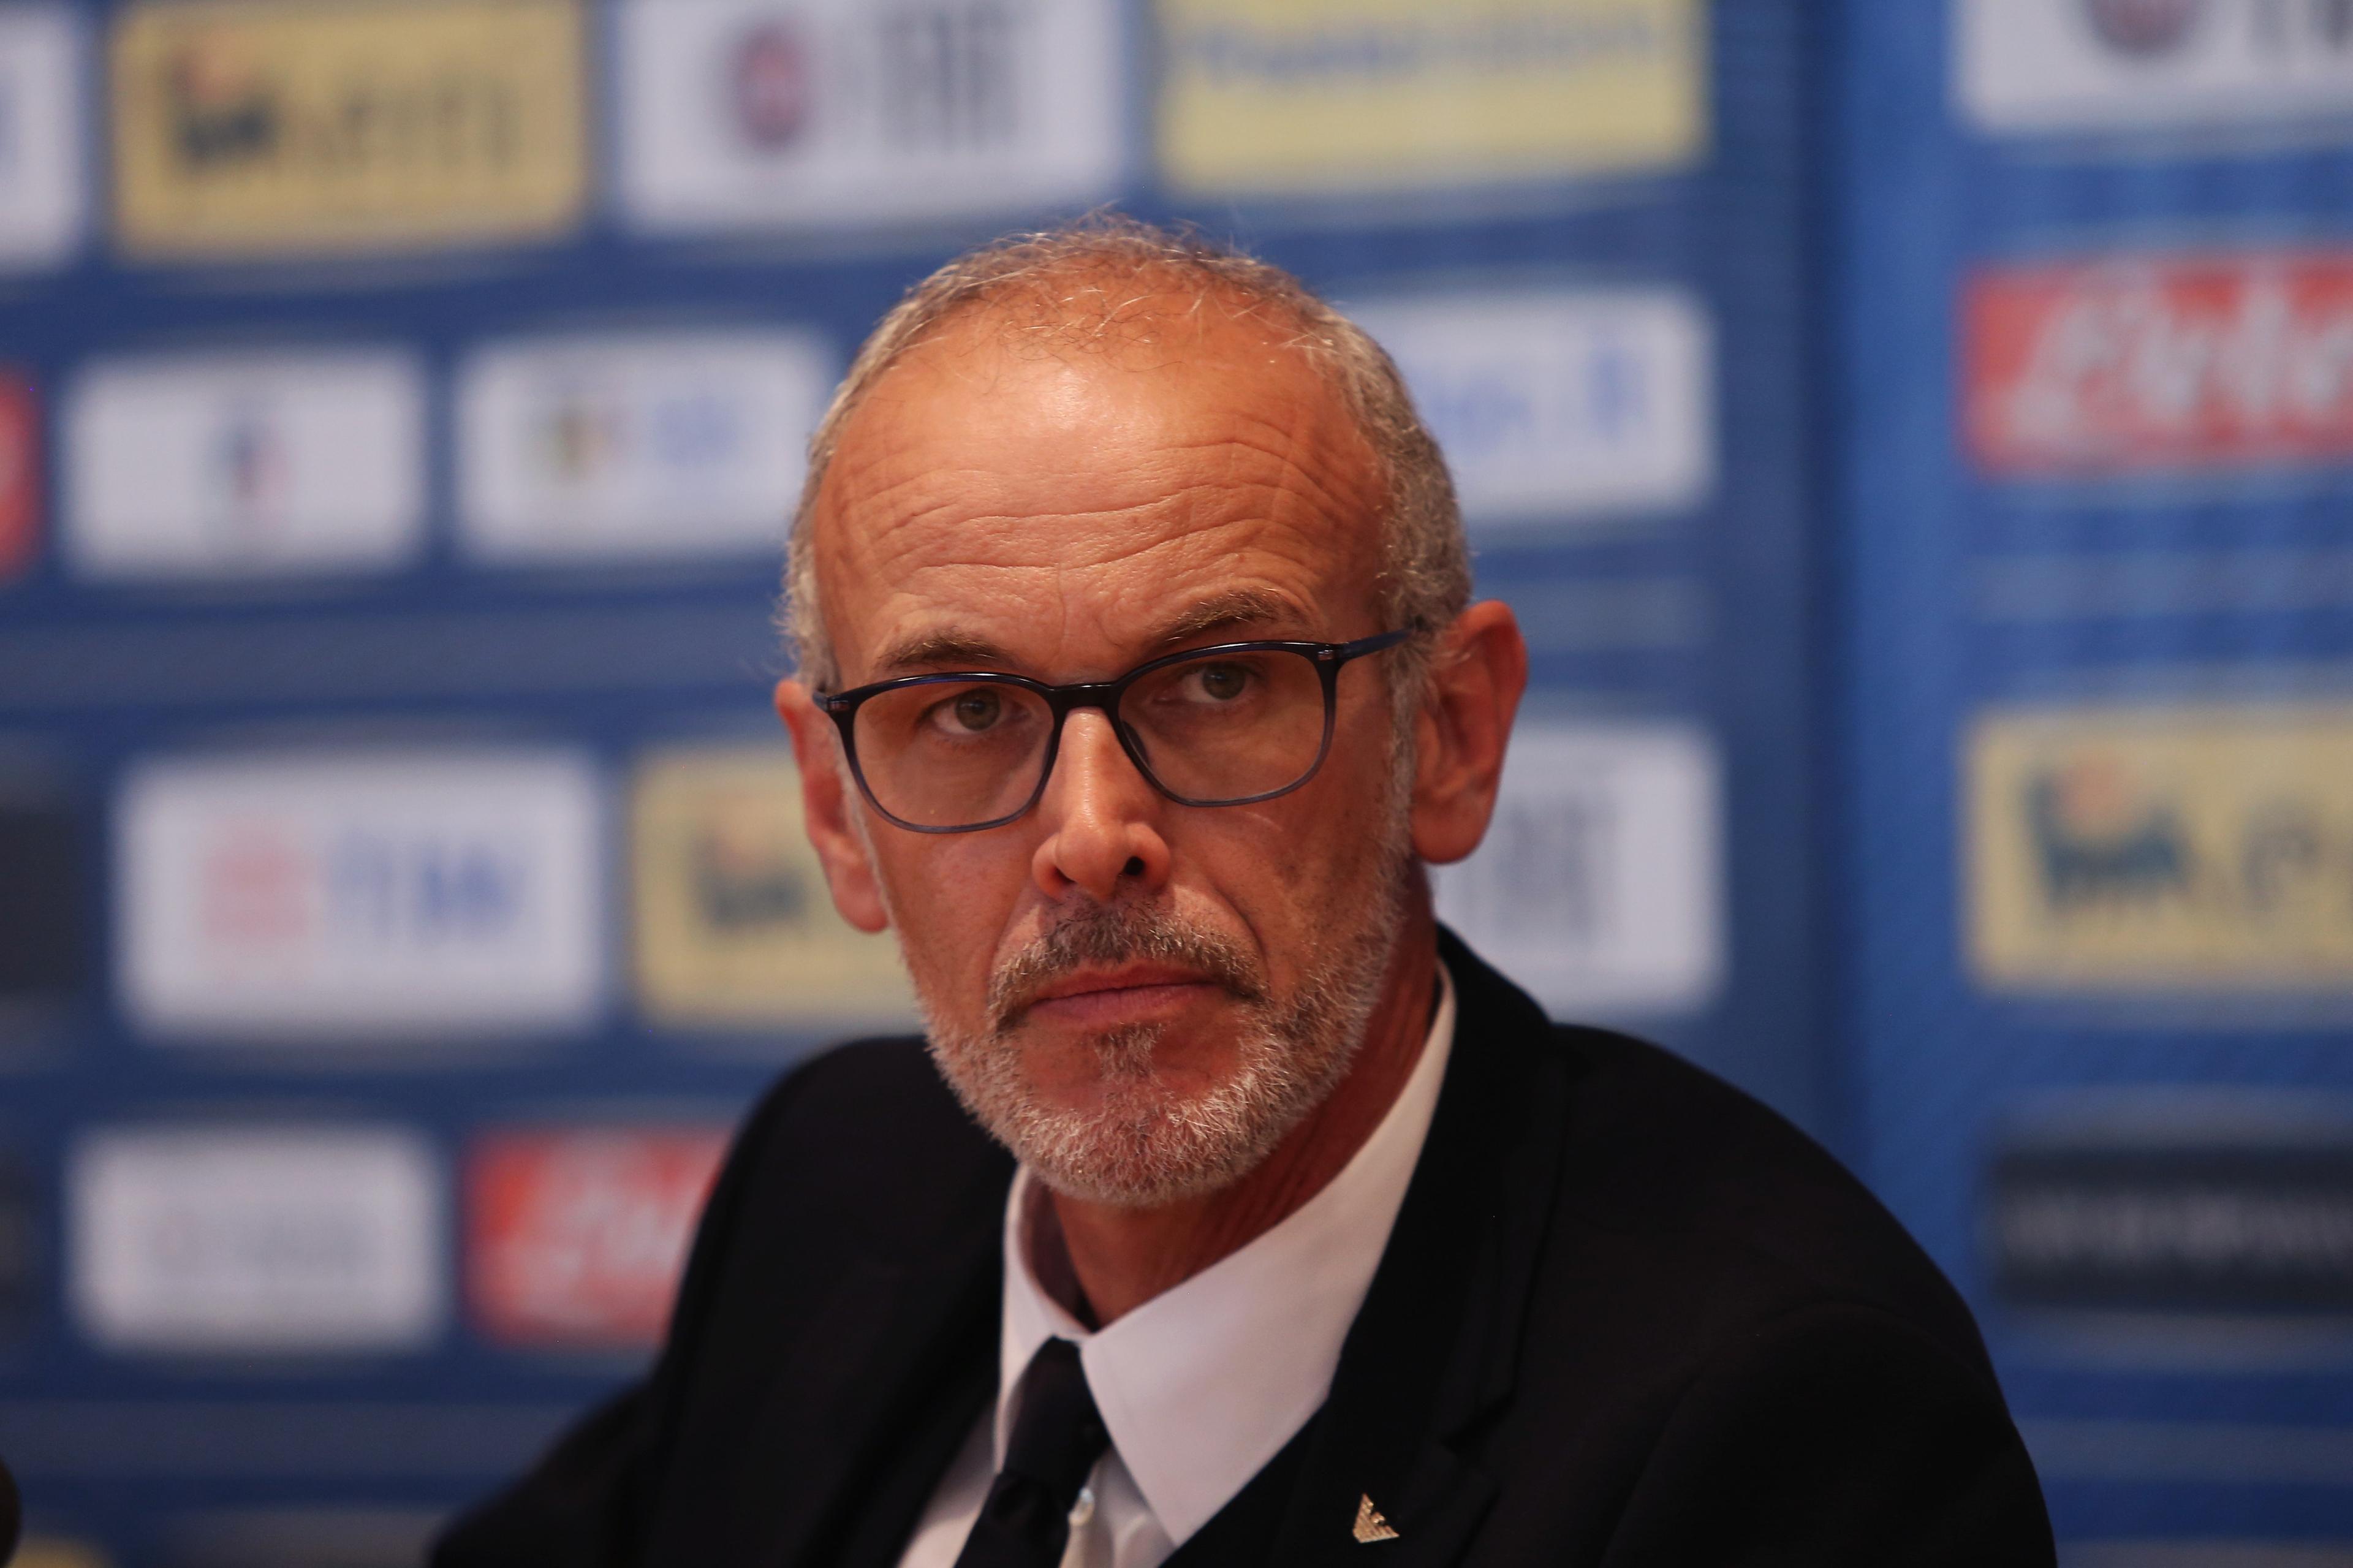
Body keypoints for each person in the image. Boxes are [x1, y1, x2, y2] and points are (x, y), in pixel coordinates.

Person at [434, 218, 2053, 1568]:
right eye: (969, 712)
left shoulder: (1773, 1426)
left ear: (1452, 734)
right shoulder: (837, 1187)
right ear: (835, 814)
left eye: (1220, 683)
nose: (1091, 834)